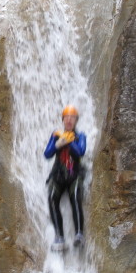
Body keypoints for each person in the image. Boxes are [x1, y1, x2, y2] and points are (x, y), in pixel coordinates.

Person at [44, 104, 86, 251]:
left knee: (75, 197)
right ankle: (59, 237)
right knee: (51, 198)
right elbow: (47, 154)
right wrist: (57, 144)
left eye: (72, 118)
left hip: (74, 174)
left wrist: (67, 141)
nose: (69, 120)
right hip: (58, 174)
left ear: (76, 121)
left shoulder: (81, 136)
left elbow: (80, 151)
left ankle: (79, 234)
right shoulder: (55, 135)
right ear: (63, 120)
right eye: (66, 117)